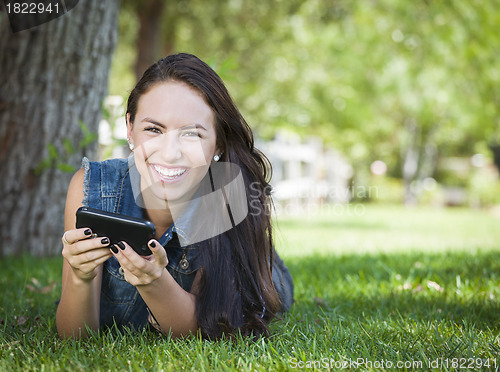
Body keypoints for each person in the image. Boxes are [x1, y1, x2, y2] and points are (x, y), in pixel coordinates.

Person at [56, 53, 293, 340]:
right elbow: (75, 337)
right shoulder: (91, 187)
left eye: (191, 134)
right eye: (153, 129)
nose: (170, 153)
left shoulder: (228, 201)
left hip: (253, 267)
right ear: (130, 128)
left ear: (217, 141)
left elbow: (208, 327)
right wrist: (82, 276)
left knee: (267, 298)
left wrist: (153, 281)